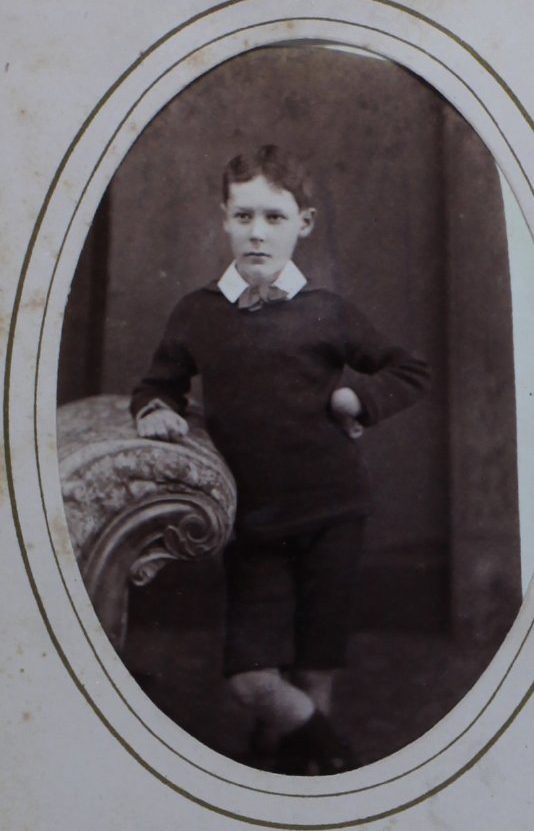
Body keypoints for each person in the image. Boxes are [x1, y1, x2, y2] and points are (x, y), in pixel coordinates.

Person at [130, 144, 430, 775]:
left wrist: (359, 397)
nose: (257, 232)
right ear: (224, 219)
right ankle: (338, 760)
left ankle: (294, 776)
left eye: (273, 216)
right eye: (243, 216)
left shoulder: (328, 311)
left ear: (304, 223)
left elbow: (410, 370)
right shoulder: (198, 312)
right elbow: (158, 384)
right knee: (252, 680)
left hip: (335, 513)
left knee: (316, 669)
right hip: (255, 528)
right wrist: (157, 409)